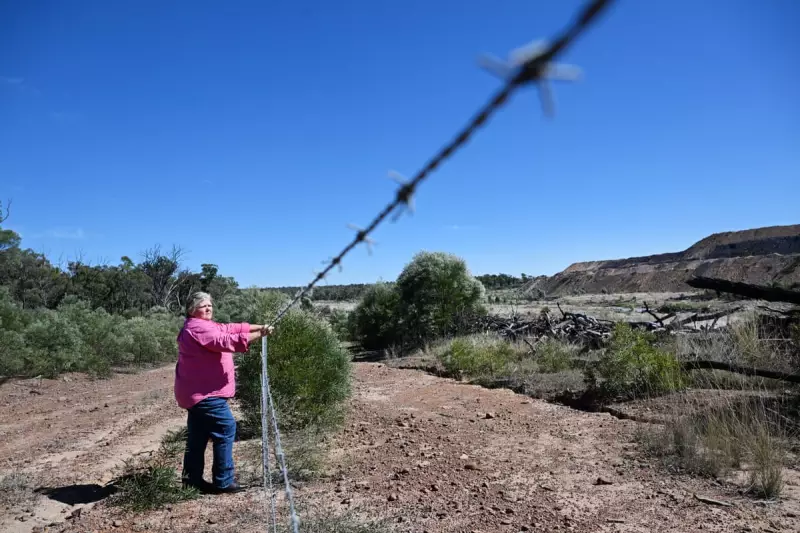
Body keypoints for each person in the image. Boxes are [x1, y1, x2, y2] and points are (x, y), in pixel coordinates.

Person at [174, 291, 273, 494]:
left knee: (198, 436)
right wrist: (260, 334)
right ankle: (223, 481)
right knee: (226, 427)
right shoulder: (198, 328)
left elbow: (229, 328)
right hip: (205, 394)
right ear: (192, 310)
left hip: (197, 393)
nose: (208, 308)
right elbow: (225, 341)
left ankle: (191, 481)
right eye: (203, 306)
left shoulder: (204, 325)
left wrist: (258, 326)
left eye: (210, 305)